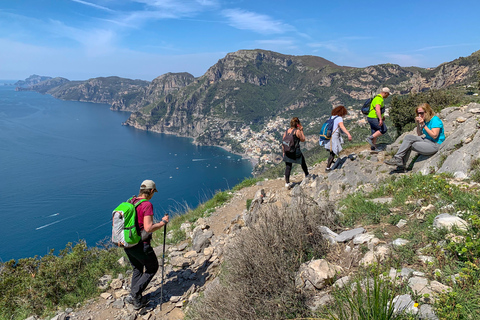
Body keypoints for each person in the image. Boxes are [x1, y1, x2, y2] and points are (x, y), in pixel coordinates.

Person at [124, 180, 169, 310]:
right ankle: (134, 295)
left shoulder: (130, 201)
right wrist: (163, 223)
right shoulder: (147, 205)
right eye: (153, 192)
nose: (153, 194)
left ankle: (136, 299)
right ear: (150, 191)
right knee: (152, 268)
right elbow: (148, 228)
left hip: (127, 243)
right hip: (141, 244)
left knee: (137, 268)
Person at [384, 103, 445, 170]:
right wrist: (419, 124)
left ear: (427, 112)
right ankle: (398, 158)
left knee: (411, 145)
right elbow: (419, 134)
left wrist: (423, 125)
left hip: (435, 144)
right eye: (418, 113)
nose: (420, 115)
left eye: (421, 113)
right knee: (408, 137)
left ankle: (401, 166)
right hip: (427, 140)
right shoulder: (426, 120)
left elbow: (434, 136)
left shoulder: (435, 120)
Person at [282, 117, 310, 189]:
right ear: (297, 124)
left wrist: (283, 152)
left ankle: (287, 183)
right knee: (302, 162)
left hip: (287, 151)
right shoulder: (297, 131)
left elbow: (283, 142)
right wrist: (301, 130)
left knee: (288, 167)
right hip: (295, 151)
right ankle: (307, 175)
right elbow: (303, 139)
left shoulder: (286, 131)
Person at [324, 106, 352, 171]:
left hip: (328, 135)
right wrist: (348, 134)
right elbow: (341, 126)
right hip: (334, 136)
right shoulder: (339, 118)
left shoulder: (331, 117)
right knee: (333, 152)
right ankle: (328, 168)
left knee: (331, 151)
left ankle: (330, 162)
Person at [365, 87, 392, 152]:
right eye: (388, 94)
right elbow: (377, 109)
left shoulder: (376, 98)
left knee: (375, 132)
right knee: (383, 129)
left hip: (371, 117)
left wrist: (382, 117)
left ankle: (374, 148)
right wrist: (380, 119)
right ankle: (369, 138)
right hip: (374, 117)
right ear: (385, 93)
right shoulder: (379, 99)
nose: (388, 96)